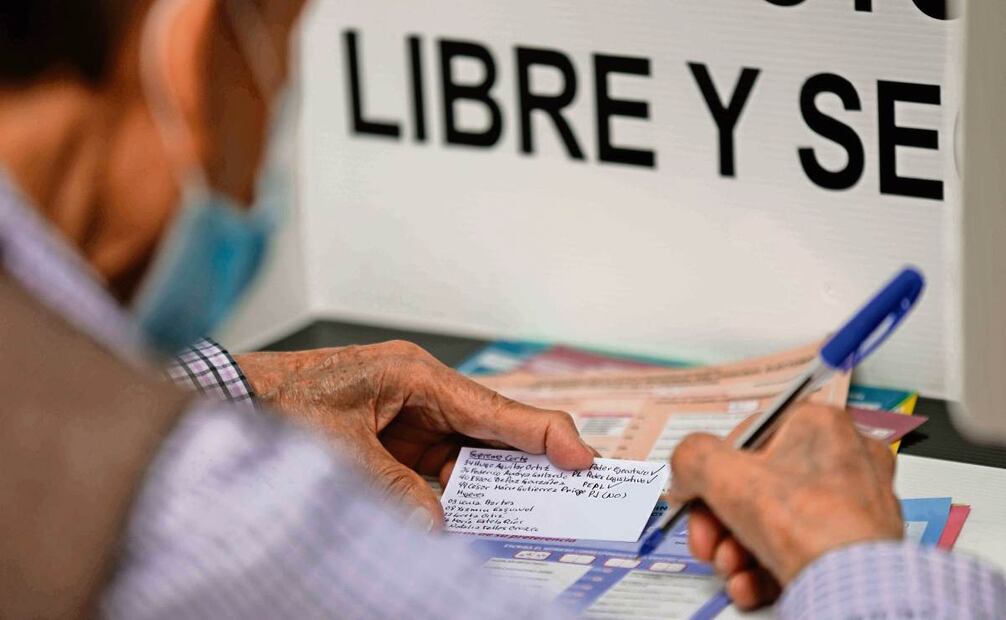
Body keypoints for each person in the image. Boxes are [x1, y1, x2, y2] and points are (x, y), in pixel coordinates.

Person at [0, 2, 1001, 620]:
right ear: (196, 47)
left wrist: (231, 390)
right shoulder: (219, 519)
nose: (269, 135)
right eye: (280, 67)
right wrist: (855, 561)